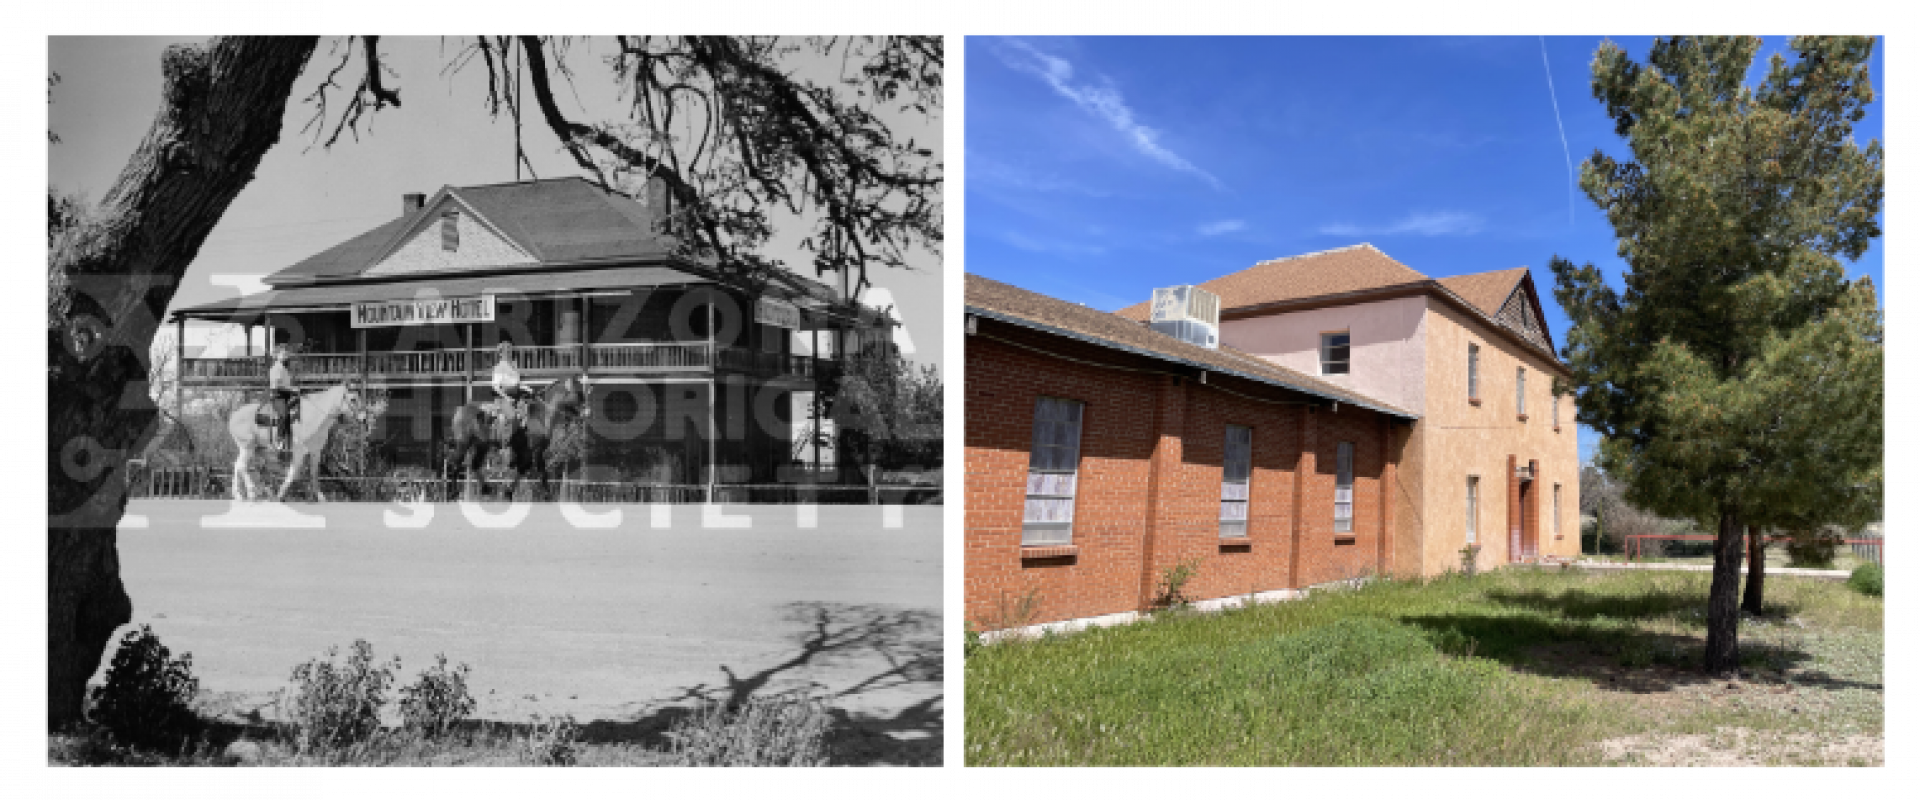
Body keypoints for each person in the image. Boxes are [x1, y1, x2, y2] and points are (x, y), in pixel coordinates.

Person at [491, 341, 527, 437]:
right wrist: (507, 398)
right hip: (503, 398)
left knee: (530, 413)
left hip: (517, 396)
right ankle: (508, 442)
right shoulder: (498, 368)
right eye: (506, 351)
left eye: (510, 351)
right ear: (500, 353)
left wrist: (528, 389)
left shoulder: (514, 366)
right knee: (513, 417)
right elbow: (495, 387)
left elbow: (517, 383)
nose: (508, 354)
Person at [268, 343, 298, 452]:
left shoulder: (285, 369)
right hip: (278, 397)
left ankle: (290, 442)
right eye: (283, 353)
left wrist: (295, 390)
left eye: (286, 353)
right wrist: (293, 390)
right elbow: (277, 387)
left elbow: (287, 386)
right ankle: (279, 440)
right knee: (284, 415)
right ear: (277, 356)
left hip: (286, 397)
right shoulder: (276, 368)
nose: (286, 355)